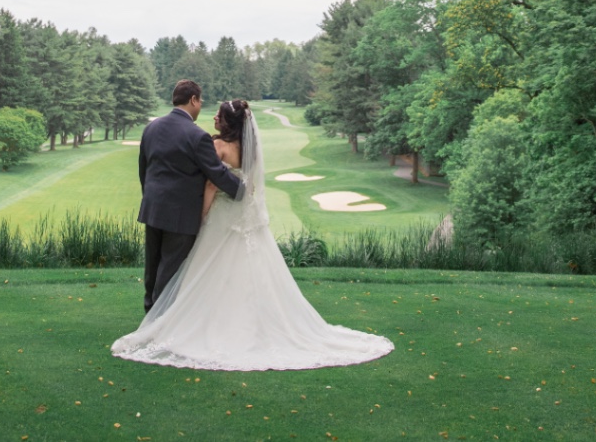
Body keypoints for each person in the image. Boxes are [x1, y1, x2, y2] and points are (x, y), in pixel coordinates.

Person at [113, 97, 394, 371]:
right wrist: (241, 192)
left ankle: (163, 320)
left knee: (196, 270)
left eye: (219, 115)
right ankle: (249, 324)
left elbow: (211, 186)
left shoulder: (217, 145)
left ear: (227, 122)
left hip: (215, 216)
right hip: (243, 217)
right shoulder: (251, 149)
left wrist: (200, 218)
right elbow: (248, 183)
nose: (214, 117)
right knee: (245, 271)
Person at [134, 79, 246, 313]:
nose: (201, 105)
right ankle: (159, 322)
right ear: (193, 100)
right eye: (200, 100)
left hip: (153, 208)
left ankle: (149, 312)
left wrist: (151, 199)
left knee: (152, 267)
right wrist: (243, 190)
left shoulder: (151, 128)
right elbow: (216, 174)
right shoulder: (198, 136)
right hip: (181, 215)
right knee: (170, 269)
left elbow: (144, 169)